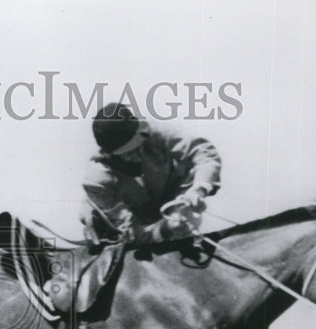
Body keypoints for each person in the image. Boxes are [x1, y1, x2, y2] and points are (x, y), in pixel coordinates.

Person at [81, 102, 222, 247]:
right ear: (108, 154)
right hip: (124, 220)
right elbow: (130, 232)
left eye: (139, 145)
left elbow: (203, 152)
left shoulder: (152, 131)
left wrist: (199, 189)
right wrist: (164, 230)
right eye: (128, 152)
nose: (137, 155)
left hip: (165, 201)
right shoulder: (96, 180)